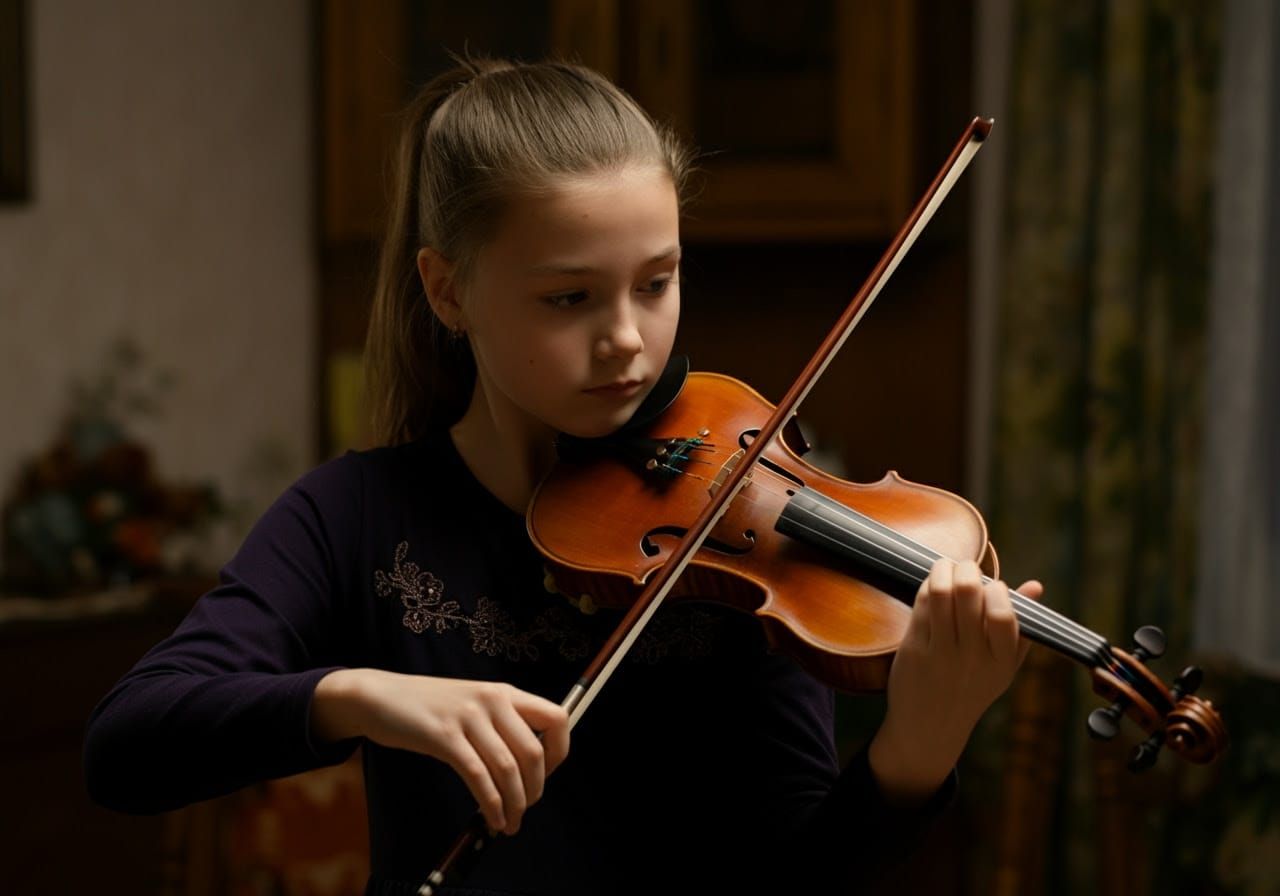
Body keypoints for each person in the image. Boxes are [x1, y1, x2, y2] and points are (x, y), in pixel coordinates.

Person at [84, 56, 1043, 895]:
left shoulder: (741, 533)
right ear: (447, 289)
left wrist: (923, 744)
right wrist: (368, 694)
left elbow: (801, 874)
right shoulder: (357, 515)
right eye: (569, 297)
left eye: (656, 282)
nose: (626, 338)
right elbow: (129, 743)